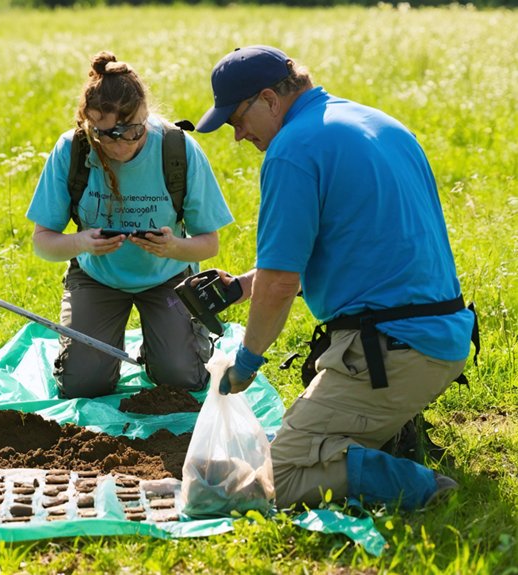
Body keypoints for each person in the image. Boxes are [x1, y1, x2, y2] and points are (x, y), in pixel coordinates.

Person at [194, 46, 477, 510]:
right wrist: (243, 287)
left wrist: (246, 363)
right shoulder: (378, 124)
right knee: (294, 447)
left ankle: (417, 484)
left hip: (392, 350)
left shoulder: (291, 150)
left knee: (276, 479)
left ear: (269, 99)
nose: (239, 135)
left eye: (237, 120)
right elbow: (357, 251)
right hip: (442, 334)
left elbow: (281, 283)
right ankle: (380, 432)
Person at [26, 51, 234, 399]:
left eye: (133, 131)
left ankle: (160, 347)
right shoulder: (72, 150)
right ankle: (104, 351)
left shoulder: (177, 149)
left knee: (181, 379)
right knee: (83, 385)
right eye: (106, 134)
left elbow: (209, 243)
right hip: (96, 277)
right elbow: (42, 242)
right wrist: (82, 243)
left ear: (146, 115)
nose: (121, 145)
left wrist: (173, 247)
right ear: (88, 123)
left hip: (168, 278)